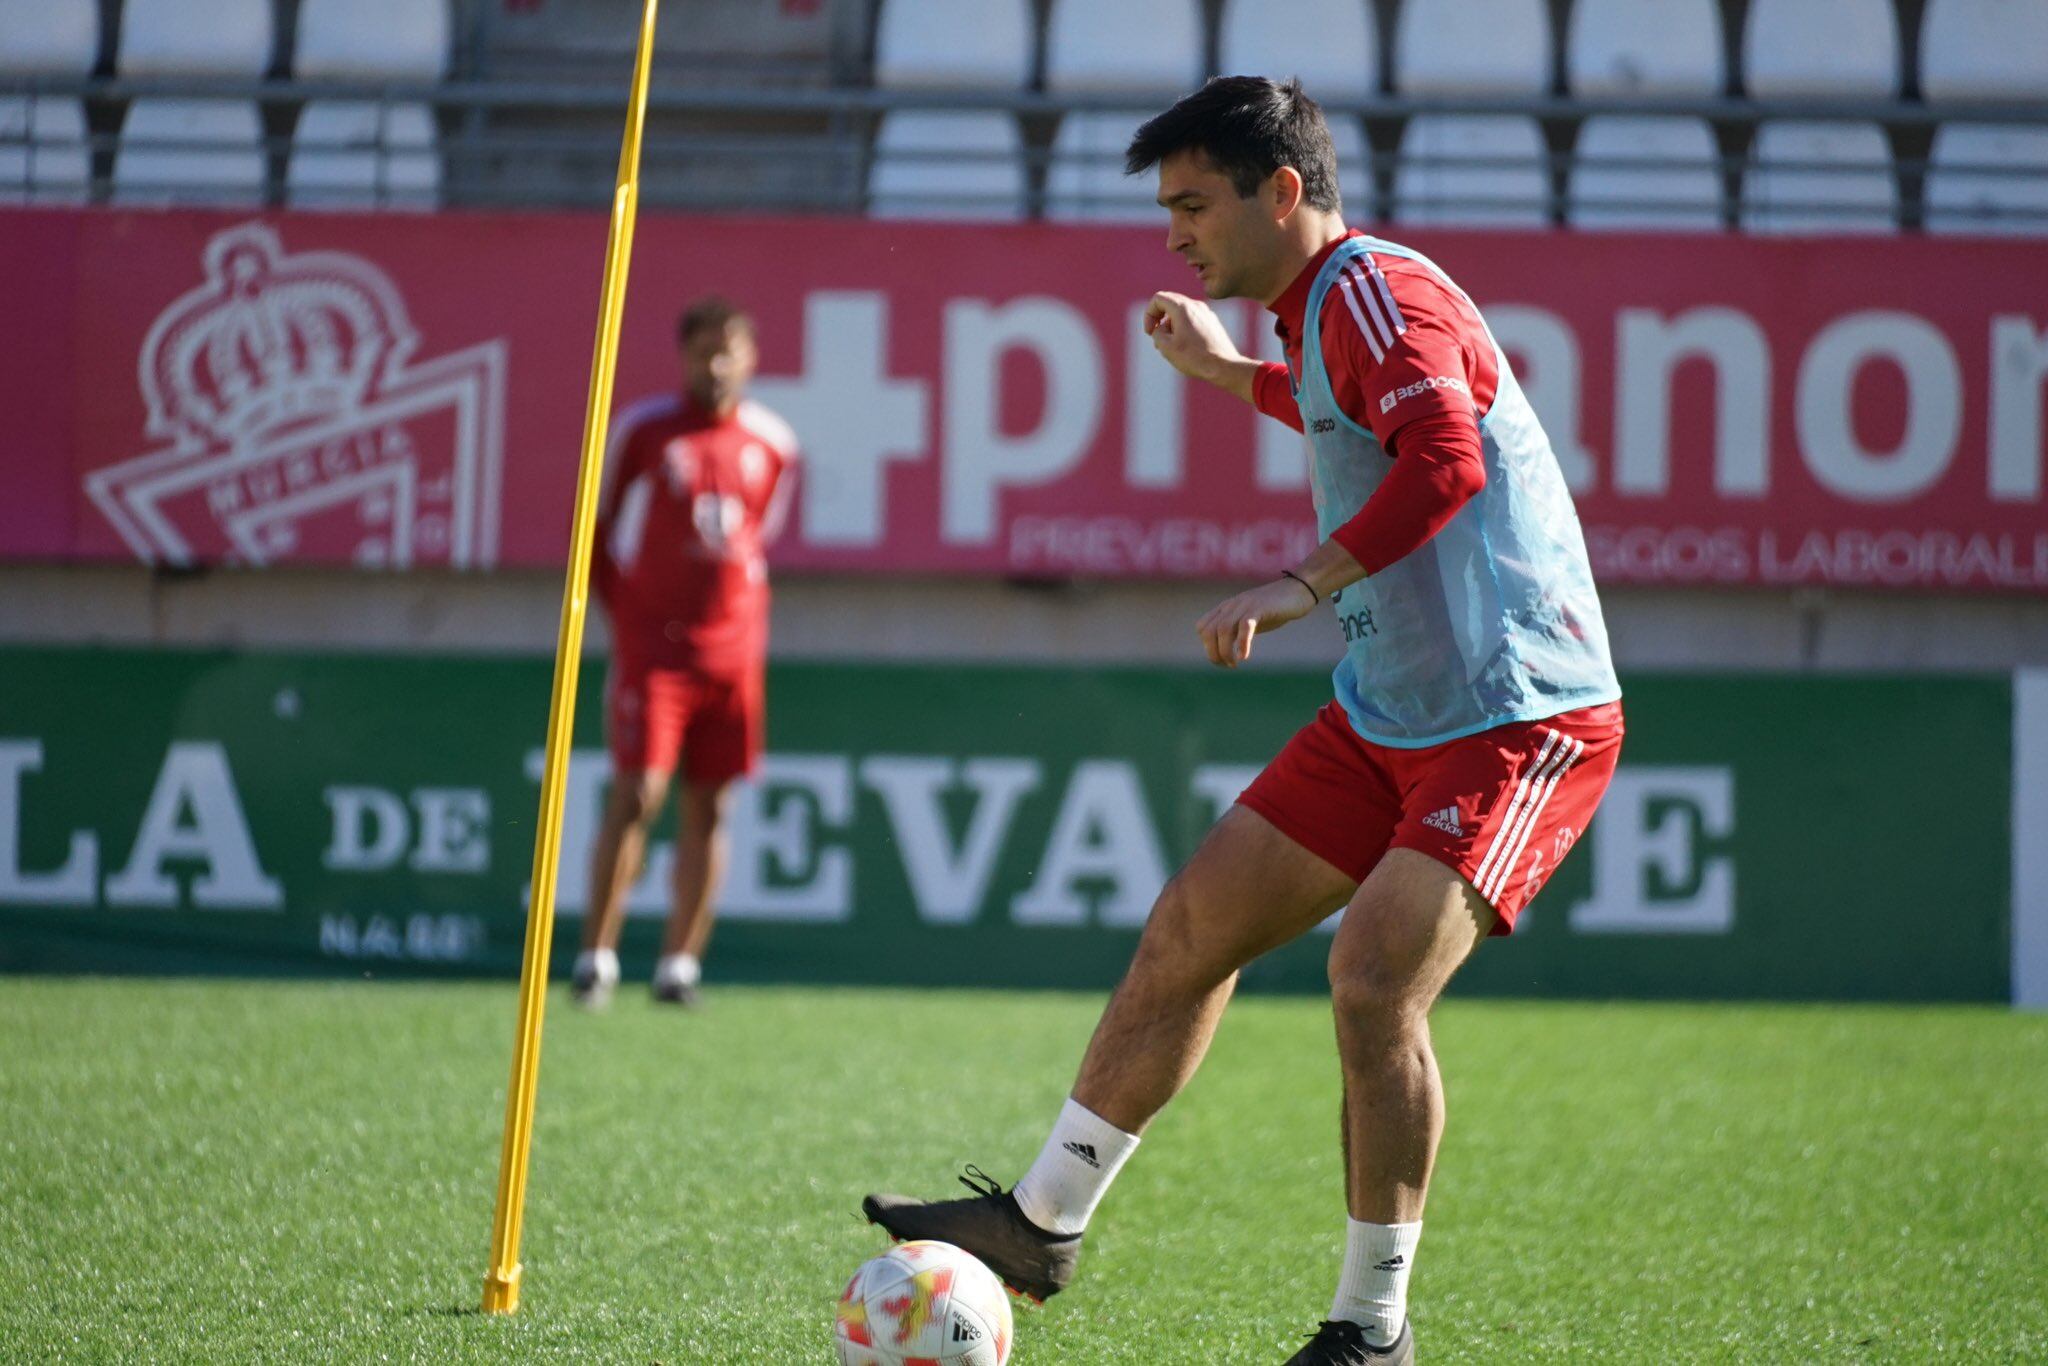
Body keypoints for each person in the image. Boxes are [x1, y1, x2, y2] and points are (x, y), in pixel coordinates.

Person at [861, 77, 1623, 1364]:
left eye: (1192, 203)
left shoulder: (1378, 288)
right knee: (1188, 930)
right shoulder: (1313, 313)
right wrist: (1228, 375)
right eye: (1167, 208)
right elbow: (1346, 409)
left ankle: (1370, 1329)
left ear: (1283, 191)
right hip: (1388, 714)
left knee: (1371, 981)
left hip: (1516, 715)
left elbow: (1445, 459)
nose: (1173, 235)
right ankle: (1041, 1221)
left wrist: (1298, 583)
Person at [570, 297, 798, 1009]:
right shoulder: (644, 431)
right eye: (704, 349)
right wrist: (630, 621)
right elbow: (598, 534)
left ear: (753, 358)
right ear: (684, 355)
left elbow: (757, 545)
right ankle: (596, 958)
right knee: (638, 793)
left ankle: (678, 967)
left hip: (732, 654)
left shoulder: (775, 442)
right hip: (655, 652)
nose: (718, 363)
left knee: (712, 806)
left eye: (730, 349)